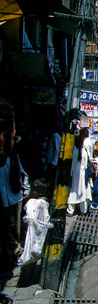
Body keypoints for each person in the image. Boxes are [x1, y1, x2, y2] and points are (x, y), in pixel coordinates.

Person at [0, 98, 30, 264]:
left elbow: (22, 172)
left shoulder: (12, 156)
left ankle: (10, 255)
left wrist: (25, 189)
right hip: (8, 197)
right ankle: (13, 253)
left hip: (13, 196)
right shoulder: (9, 154)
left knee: (13, 227)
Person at [67, 127, 92, 216]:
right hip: (82, 173)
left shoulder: (73, 151)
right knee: (83, 192)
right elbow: (87, 163)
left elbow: (72, 166)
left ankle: (71, 210)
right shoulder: (84, 151)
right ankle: (83, 210)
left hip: (75, 175)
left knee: (72, 192)